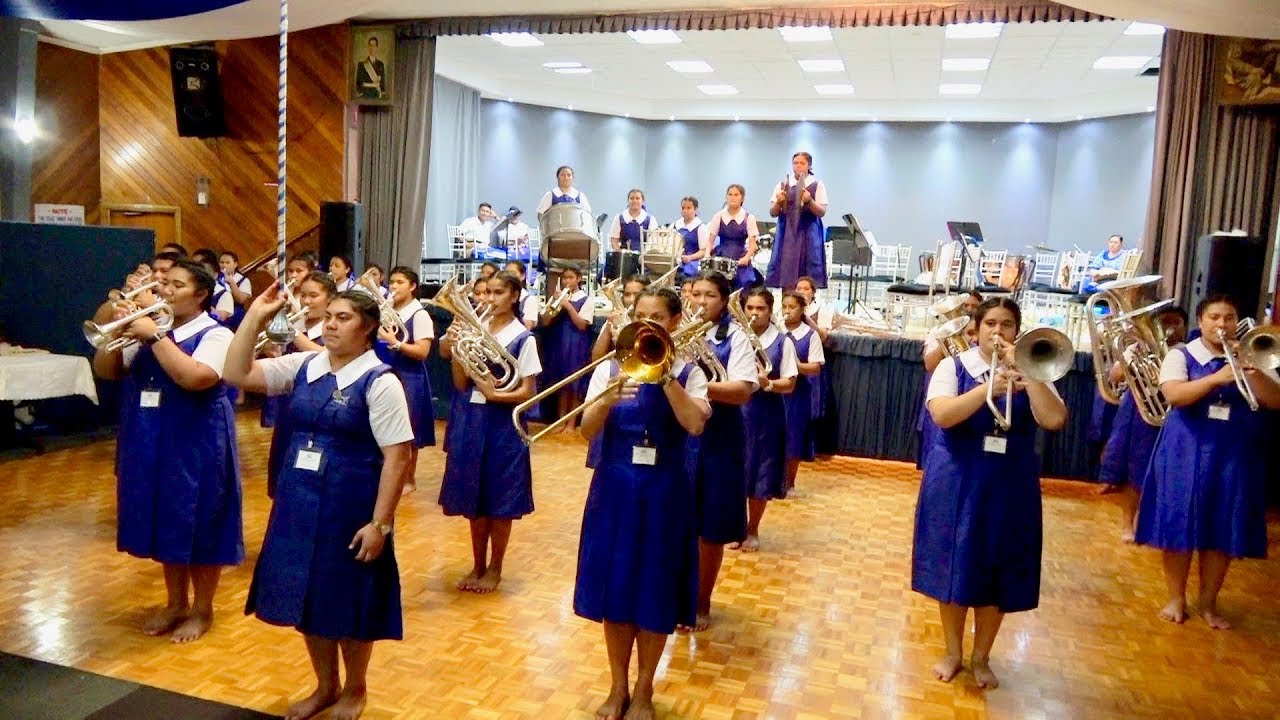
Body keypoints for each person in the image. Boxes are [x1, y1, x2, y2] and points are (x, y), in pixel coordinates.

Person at [227, 285, 412, 720]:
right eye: (328, 315)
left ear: (368, 329)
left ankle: (355, 688)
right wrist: (254, 315)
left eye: (343, 317)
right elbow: (236, 374)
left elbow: (397, 457)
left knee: (349, 599)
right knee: (307, 597)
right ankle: (325, 686)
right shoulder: (306, 365)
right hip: (298, 502)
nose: (330, 323)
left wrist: (380, 525)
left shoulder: (380, 381)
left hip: (350, 507)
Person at [912, 297, 1067, 689]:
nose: (998, 332)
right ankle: (952, 651)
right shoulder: (953, 366)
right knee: (952, 563)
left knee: (997, 566)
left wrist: (1028, 376)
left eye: (1007, 325)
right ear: (975, 330)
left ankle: (981, 656)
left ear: (1018, 331)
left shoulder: (1031, 368)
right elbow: (942, 415)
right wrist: (987, 389)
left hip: (1009, 480)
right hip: (957, 476)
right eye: (990, 324)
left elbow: (1053, 419)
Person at [90, 259, 243, 644]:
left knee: (204, 521)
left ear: (202, 295)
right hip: (150, 436)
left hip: (198, 441)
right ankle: (175, 602)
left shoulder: (216, 334)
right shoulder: (148, 329)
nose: (166, 290)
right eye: (163, 284)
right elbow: (106, 370)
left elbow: (196, 377)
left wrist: (155, 338)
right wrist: (117, 322)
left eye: (176, 285)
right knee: (166, 518)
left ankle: (202, 608)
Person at [574, 286, 710, 720]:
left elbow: (694, 425)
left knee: (655, 589)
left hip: (664, 490)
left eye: (657, 316)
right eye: (640, 314)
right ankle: (617, 686)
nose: (648, 322)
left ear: (673, 322)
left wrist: (665, 374)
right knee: (615, 588)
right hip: (615, 487)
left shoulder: (690, 370)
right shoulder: (609, 367)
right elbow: (585, 431)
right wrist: (606, 402)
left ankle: (645, 689)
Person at [1135, 295, 1280, 629]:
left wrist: (1252, 371)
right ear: (1201, 322)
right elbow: (1174, 395)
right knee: (1178, 523)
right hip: (1185, 449)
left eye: (1229, 317)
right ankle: (1176, 598)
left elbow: (1274, 400)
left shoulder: (1254, 354)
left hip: (1233, 453)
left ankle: (1209, 602)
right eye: (1214, 317)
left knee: (1222, 526)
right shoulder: (1180, 354)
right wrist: (1217, 378)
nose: (1222, 324)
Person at [439, 271, 541, 594]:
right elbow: (459, 383)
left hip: (503, 424)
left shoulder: (524, 338)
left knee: (500, 497)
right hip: (472, 418)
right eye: (486, 293)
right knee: (474, 495)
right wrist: (456, 349)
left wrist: (497, 395)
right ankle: (477, 564)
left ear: (513, 296)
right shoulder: (475, 328)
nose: (490, 299)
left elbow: (528, 391)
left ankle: (496, 566)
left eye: (498, 293)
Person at [688, 270, 758, 631]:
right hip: (681, 435)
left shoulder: (736, 337)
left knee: (710, 528)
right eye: (695, 294)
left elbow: (743, 390)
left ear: (724, 300)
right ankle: (676, 596)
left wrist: (696, 386)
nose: (700, 301)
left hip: (720, 438)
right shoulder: (675, 332)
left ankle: (701, 602)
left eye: (709, 295)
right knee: (677, 521)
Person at [1099, 305, 1187, 541]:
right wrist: (1133, 357)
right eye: (1164, 323)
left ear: (1185, 326)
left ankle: (1154, 525)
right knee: (1136, 469)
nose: (1169, 329)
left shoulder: (1186, 352)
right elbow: (1114, 376)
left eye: (1175, 323)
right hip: (1142, 411)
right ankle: (1128, 523)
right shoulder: (1137, 349)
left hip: (1177, 414)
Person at [738, 289, 797, 552]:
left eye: (759, 308)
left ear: (769, 311)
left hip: (765, 416)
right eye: (749, 307)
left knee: (759, 473)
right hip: (736, 413)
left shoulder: (783, 342)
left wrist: (768, 383)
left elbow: (790, 383)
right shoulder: (737, 338)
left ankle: (753, 529)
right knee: (736, 473)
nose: (753, 313)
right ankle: (736, 527)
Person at [374, 267, 436, 495]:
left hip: (410, 376)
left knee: (410, 430)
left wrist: (395, 342)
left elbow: (422, 351)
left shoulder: (420, 314)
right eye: (391, 282)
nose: (394, 287)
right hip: (386, 370)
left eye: (400, 282)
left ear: (412, 286)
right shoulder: (387, 310)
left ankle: (409, 478)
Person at [780, 291, 825, 497]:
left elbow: (815, 367)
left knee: (794, 437)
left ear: (802, 309)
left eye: (792, 307)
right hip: (776, 391)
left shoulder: (810, 334)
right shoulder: (776, 331)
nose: (787, 311)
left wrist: (797, 365)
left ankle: (789, 483)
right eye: (785, 307)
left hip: (798, 393)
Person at [539, 267, 594, 433]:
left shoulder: (586, 300)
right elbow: (546, 321)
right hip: (559, 344)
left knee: (575, 385)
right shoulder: (559, 297)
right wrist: (554, 305)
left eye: (570, 277)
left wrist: (568, 306)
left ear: (578, 279)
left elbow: (582, 325)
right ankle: (561, 421)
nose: (567, 281)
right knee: (562, 384)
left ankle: (571, 423)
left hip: (577, 345)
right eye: (564, 278)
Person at [768, 152, 829, 291]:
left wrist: (809, 201)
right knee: (787, 273)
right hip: (788, 234)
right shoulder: (783, 185)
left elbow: (822, 212)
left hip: (809, 233)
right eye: (795, 162)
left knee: (807, 272)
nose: (798, 166)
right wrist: (779, 202)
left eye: (802, 163)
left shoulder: (816, 185)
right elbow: (773, 212)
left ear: (809, 165)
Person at [704, 184, 761, 291]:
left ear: (742, 198)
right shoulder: (718, 216)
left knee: (745, 282)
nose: (732, 197)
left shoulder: (749, 218)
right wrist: (707, 255)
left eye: (736, 194)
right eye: (730, 194)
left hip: (740, 257)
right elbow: (710, 242)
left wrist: (746, 257)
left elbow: (753, 246)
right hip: (721, 256)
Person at [592, 274, 650, 363]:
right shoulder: (616, 320)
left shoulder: (653, 322)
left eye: (637, 294)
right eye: (627, 294)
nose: (631, 299)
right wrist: (608, 327)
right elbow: (596, 359)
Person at [675, 196, 709, 277]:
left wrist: (690, 257)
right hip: (676, 261)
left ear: (695, 209)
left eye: (688, 208)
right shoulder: (675, 225)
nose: (685, 211)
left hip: (693, 261)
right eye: (683, 208)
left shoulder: (701, 228)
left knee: (684, 274)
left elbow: (704, 251)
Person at [504, 260, 539, 330]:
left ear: (523, 276)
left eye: (513, 273)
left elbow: (528, 326)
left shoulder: (529, 299)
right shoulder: (502, 296)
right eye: (506, 273)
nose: (509, 276)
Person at [356, 35, 387, 100]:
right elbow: (359, 83)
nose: (372, 48)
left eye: (374, 45)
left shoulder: (381, 64)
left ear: (377, 47)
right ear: (368, 47)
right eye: (370, 45)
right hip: (365, 96)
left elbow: (382, 85)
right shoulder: (361, 65)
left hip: (377, 96)